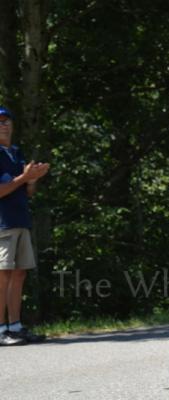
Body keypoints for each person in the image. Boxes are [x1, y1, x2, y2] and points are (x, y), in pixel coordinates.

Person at [0, 106, 50, 345]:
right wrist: (24, 178)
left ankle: (15, 326)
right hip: (3, 223)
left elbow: (27, 191)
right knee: (3, 275)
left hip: (21, 220)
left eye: (6, 120)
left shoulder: (16, 152)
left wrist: (34, 178)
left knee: (19, 274)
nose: (4, 125)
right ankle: (1, 330)